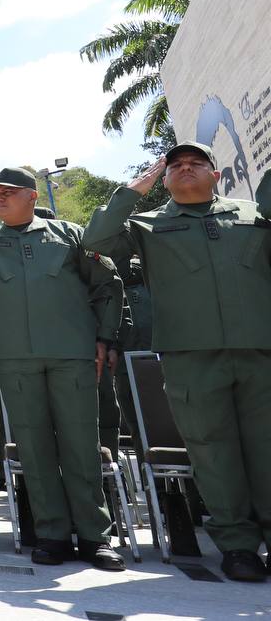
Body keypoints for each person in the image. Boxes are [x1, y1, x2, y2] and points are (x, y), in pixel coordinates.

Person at [84, 143, 271, 583]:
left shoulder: (254, 217)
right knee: (212, 451)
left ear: (216, 174)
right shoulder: (148, 225)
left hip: (260, 351)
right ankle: (238, 546)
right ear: (164, 180)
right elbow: (95, 240)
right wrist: (134, 191)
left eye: (196, 164)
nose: (186, 169)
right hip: (191, 357)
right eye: (176, 166)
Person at [0, 167, 125, 571]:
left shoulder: (71, 235)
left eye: (7, 192)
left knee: (81, 446)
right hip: (15, 359)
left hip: (71, 355)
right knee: (34, 448)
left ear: (32, 196)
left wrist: (105, 337)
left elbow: (107, 283)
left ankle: (95, 536)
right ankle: (51, 534)